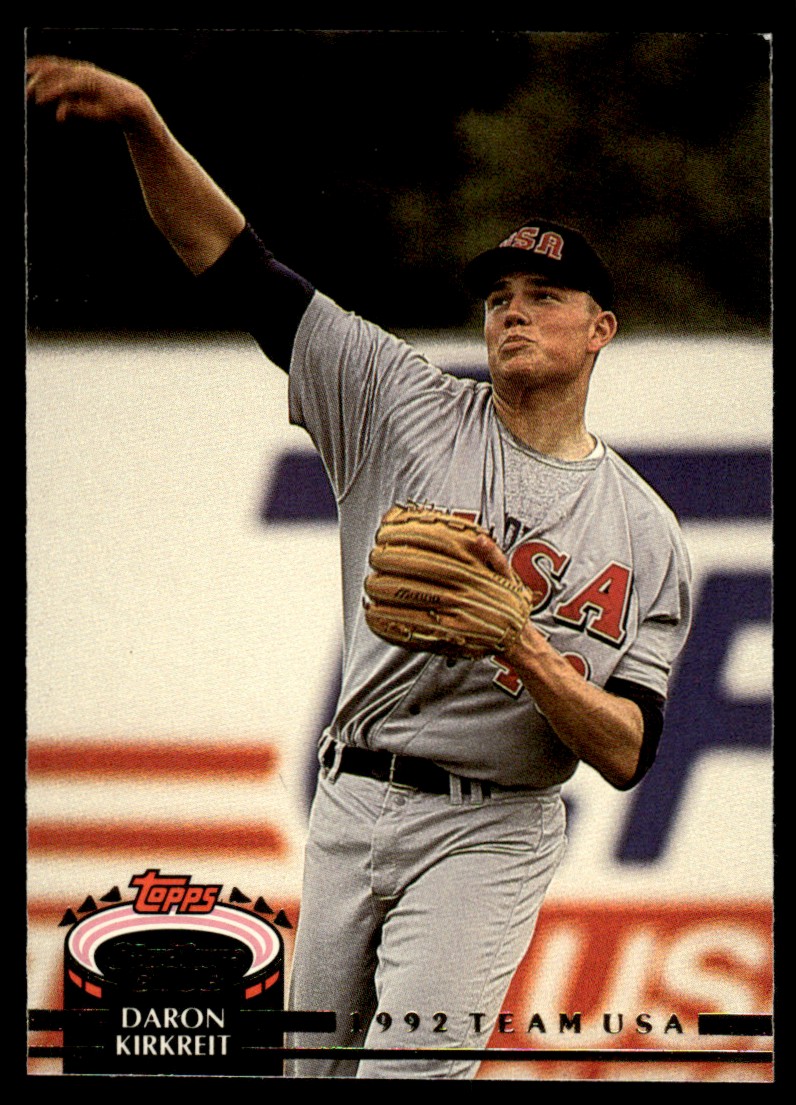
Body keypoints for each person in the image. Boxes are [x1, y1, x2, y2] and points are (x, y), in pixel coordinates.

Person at [27, 55, 693, 1080]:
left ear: (600, 328)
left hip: (492, 826)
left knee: (407, 1073)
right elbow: (233, 261)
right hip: (350, 798)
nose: (513, 311)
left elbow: (627, 749)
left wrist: (521, 644)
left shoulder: (646, 532)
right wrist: (144, 124)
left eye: (545, 294)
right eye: (498, 296)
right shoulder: (399, 402)